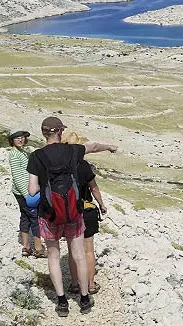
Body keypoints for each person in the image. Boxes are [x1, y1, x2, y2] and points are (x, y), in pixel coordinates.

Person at [27, 116, 118, 316]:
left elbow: (32, 190)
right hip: (74, 213)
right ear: (60, 131)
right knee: (79, 255)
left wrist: (47, 187)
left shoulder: (36, 157)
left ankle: (62, 303)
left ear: (43, 133)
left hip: (49, 215)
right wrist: (110, 147)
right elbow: (93, 146)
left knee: (53, 256)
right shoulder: (72, 151)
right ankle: (84, 299)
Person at [67, 160, 107, 296]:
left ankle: (74, 284)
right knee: (88, 250)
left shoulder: (60, 163)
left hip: (69, 212)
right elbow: (94, 188)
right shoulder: (83, 165)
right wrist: (101, 205)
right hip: (86, 210)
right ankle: (90, 284)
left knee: (72, 250)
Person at [7, 128, 45, 258]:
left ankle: (26, 247)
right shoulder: (14, 154)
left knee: (25, 217)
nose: (20, 139)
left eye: (22, 137)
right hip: (25, 192)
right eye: (17, 137)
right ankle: (38, 248)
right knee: (35, 217)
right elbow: (17, 176)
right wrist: (28, 195)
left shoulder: (23, 152)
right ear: (12, 140)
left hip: (25, 191)